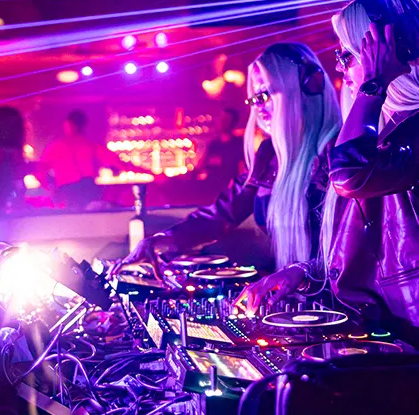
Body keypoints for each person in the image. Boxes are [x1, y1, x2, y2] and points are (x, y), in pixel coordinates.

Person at [238, 0, 419, 339]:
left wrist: (373, 84)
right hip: (388, 325)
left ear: (387, 53)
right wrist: (302, 273)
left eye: (347, 55)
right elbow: (367, 250)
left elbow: (349, 175)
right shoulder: (381, 129)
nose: (339, 67)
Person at [110, 42, 341, 274]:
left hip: (333, 291)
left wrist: (302, 274)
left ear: (304, 89)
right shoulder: (269, 155)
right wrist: (161, 240)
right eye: (255, 99)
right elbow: (221, 214)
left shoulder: (339, 154)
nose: (259, 108)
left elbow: (352, 249)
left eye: (266, 94)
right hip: (289, 289)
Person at [38, 110, 118, 209]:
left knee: (72, 215)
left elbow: (40, 171)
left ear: (67, 124)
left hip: (68, 191)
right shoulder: (91, 145)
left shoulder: (56, 147)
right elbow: (116, 161)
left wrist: (49, 188)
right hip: (88, 189)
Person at [196, 107, 245, 193]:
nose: (221, 122)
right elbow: (201, 164)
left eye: (226, 119)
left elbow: (242, 167)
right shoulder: (213, 144)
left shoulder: (238, 143)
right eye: (221, 118)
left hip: (230, 189)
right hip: (212, 189)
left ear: (232, 123)